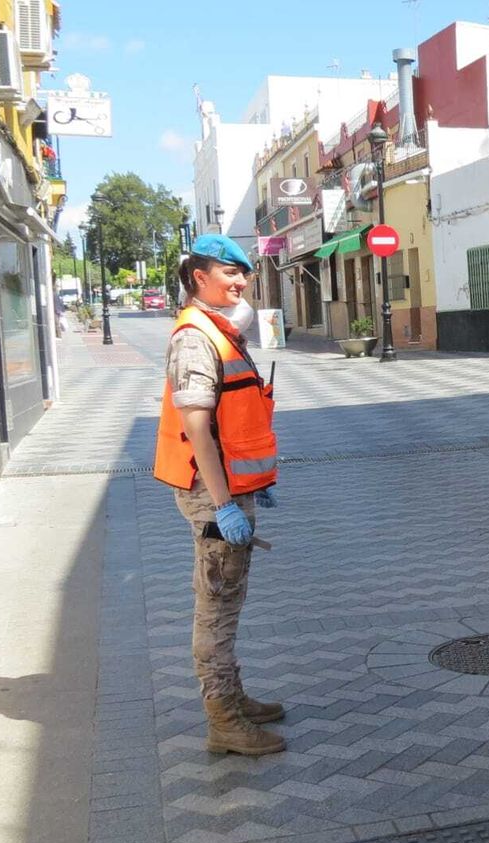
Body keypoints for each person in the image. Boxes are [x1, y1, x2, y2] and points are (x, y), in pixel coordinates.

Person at [153, 234, 285, 756]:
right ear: (198, 277)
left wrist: (253, 485)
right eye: (229, 272)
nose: (241, 280)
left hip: (227, 489)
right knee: (216, 607)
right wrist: (226, 503)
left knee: (228, 602)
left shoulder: (219, 331)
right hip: (213, 497)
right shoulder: (194, 337)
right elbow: (198, 429)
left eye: (244, 272)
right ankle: (223, 719)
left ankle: (233, 696)